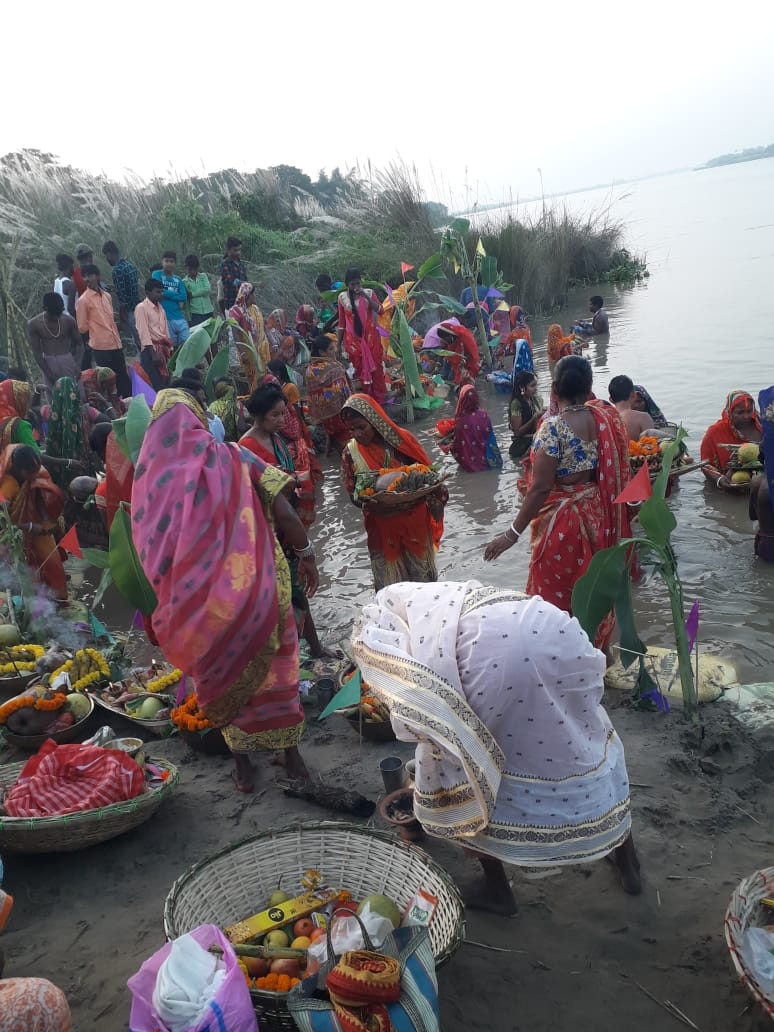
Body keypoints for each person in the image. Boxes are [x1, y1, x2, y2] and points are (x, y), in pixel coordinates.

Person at [352, 580, 641, 913]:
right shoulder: (436, 600)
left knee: (468, 772)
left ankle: (497, 890)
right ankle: (628, 865)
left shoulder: (386, 641)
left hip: (495, 661)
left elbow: (425, 721)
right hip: (557, 631)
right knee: (588, 742)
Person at [132, 382, 314, 790]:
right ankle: (292, 757)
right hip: (260, 590)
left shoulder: (152, 487)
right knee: (279, 671)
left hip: (204, 610)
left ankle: (244, 768)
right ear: (196, 421)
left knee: (221, 680)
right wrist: (307, 554)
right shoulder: (233, 456)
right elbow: (284, 509)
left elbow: (151, 555)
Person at [484, 356, 630, 656]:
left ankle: (559, 660)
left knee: (554, 596)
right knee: (591, 590)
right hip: (597, 514)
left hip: (564, 523)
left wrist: (510, 534)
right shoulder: (604, 418)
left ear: (554, 388)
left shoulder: (552, 428)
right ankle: (593, 656)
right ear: (588, 386)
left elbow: (539, 489)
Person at [341, 393, 447, 591]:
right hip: (381, 528)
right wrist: (372, 501)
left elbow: (430, 477)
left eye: (361, 427)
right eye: (351, 429)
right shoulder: (351, 452)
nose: (357, 433)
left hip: (414, 524)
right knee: (391, 591)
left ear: (374, 419)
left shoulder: (402, 442)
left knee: (424, 589)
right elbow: (353, 495)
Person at [0, 445, 67, 601]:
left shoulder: (33, 470)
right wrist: (30, 527)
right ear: (16, 468)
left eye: (35, 471)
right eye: (29, 473)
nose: (34, 475)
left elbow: (37, 492)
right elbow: (4, 522)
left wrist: (46, 520)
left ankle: (59, 601)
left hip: (35, 526)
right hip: (12, 536)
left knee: (52, 564)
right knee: (23, 573)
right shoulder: (7, 488)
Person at [75, 264, 131, 397]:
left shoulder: (107, 296)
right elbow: (82, 327)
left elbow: (110, 318)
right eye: (84, 276)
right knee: (108, 381)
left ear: (97, 276)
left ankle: (127, 405)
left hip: (115, 342)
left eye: (90, 275)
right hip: (100, 345)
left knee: (122, 376)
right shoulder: (83, 300)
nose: (87, 279)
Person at [337, 270, 386, 403]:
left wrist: (366, 297)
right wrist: (338, 347)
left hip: (371, 339)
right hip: (353, 343)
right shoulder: (342, 298)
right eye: (352, 284)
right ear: (347, 284)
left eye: (358, 283)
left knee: (376, 369)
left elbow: (380, 310)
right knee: (359, 371)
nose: (356, 287)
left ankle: (380, 400)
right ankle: (367, 400)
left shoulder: (369, 293)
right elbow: (341, 324)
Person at [701, 391, 763, 488]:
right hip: (731, 480)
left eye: (749, 411)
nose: (746, 416)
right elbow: (705, 464)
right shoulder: (714, 432)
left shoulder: (763, 425)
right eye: (740, 412)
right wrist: (719, 480)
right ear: (730, 411)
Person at [42, 376, 92, 488]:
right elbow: (105, 420)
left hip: (56, 477)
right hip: (82, 478)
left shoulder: (48, 412)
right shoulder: (85, 411)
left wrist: (36, 392)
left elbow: (33, 409)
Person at [306, 335, 351, 452]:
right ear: (321, 352)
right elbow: (344, 388)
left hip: (324, 415)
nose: (334, 351)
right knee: (345, 435)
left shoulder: (310, 369)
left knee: (336, 433)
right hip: (340, 411)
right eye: (331, 349)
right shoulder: (334, 367)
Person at [27, 293, 83, 388]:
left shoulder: (69, 321)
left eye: (59, 314)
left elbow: (80, 344)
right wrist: (48, 373)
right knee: (55, 398)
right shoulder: (34, 324)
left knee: (76, 396)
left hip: (68, 362)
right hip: (48, 364)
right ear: (45, 308)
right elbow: (37, 352)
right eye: (53, 315)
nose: (57, 317)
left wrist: (77, 365)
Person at [450, 385, 502, 472]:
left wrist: (447, 445)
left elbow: (458, 445)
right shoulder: (484, 414)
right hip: (488, 460)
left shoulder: (461, 420)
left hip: (470, 465)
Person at [228, 282, 270, 387]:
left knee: (265, 376)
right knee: (254, 378)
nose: (255, 297)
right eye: (253, 294)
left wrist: (272, 342)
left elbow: (263, 326)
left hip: (262, 350)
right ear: (247, 295)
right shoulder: (235, 310)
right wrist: (242, 353)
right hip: (249, 351)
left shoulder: (255, 309)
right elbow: (235, 332)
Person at [134, 278, 172, 391]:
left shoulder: (161, 309)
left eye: (162, 291)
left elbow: (165, 331)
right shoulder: (141, 308)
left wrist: (170, 348)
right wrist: (153, 353)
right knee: (155, 383)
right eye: (157, 292)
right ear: (148, 293)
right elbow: (143, 332)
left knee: (165, 382)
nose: (161, 294)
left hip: (162, 349)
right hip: (150, 351)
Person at [101, 241, 140, 349]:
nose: (107, 259)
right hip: (137, 306)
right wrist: (115, 289)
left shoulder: (117, 270)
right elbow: (129, 287)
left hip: (129, 310)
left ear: (110, 254)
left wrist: (123, 312)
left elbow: (123, 296)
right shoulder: (130, 265)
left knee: (138, 340)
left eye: (106, 256)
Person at [151, 252, 189, 345]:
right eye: (166, 261)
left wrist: (165, 293)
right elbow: (158, 290)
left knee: (186, 342)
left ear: (175, 263)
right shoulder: (156, 274)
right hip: (165, 318)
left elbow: (183, 296)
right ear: (162, 262)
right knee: (171, 346)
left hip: (179, 317)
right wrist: (175, 294)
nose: (169, 263)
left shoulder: (178, 279)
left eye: (171, 261)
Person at [509, 371, 544, 461]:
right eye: (532, 386)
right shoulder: (516, 404)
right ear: (522, 387)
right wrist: (535, 417)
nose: (535, 389)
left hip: (537, 440)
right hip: (523, 446)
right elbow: (518, 432)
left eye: (536, 385)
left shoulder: (536, 399)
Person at [608, 374, 655, 441]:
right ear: (633, 396)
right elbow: (652, 447)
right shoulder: (643, 418)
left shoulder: (606, 419)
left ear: (611, 400)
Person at [0, 380, 39, 452]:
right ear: (17, 401)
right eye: (24, 400)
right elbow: (36, 455)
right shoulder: (20, 425)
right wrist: (66, 462)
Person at [183, 254, 214, 326]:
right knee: (199, 335)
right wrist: (189, 318)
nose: (193, 272)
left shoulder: (203, 276)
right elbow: (186, 302)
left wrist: (192, 294)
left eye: (195, 269)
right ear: (186, 268)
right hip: (195, 314)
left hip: (208, 310)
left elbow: (207, 289)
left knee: (213, 334)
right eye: (190, 269)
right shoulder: (184, 282)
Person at [219, 236, 247, 314]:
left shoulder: (241, 264)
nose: (238, 252)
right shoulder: (225, 264)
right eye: (235, 250)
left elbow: (245, 280)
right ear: (228, 250)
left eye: (239, 250)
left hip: (243, 305)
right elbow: (233, 282)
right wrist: (249, 285)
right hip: (231, 304)